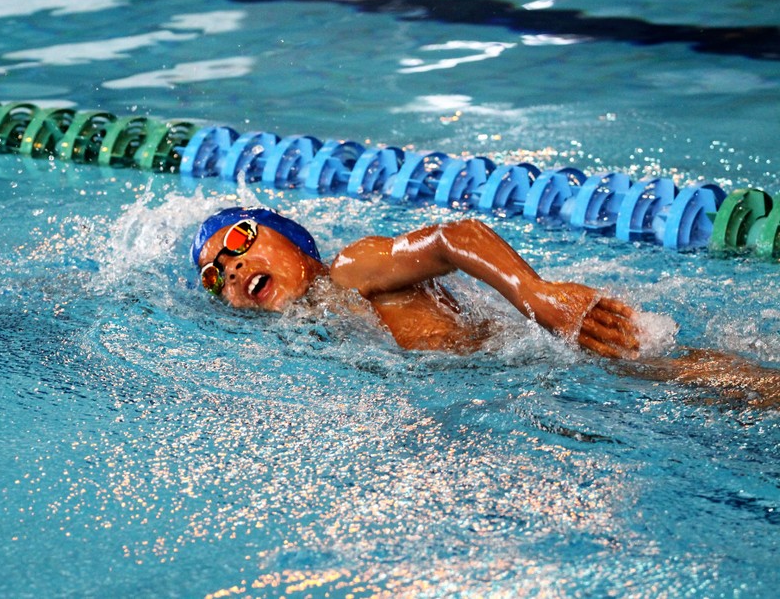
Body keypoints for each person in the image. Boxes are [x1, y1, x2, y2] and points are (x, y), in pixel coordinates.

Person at [192, 206, 779, 406]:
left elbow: (453, 237)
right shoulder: (309, 329)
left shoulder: (351, 268)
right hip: (528, 379)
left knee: (715, 384)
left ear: (291, 239)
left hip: (560, 353)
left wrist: (533, 293)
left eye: (240, 241)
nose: (231, 268)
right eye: (214, 276)